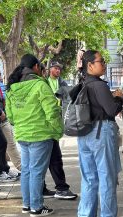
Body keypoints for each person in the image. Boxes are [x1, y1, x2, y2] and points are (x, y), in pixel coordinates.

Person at [6, 54, 63, 217]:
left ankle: (27, 204)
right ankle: (37, 207)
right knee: (37, 172)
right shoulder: (40, 85)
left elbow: (9, 115)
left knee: (27, 171)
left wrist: (21, 124)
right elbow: (52, 111)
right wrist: (58, 130)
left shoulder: (13, 87)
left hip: (23, 135)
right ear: (36, 67)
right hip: (40, 134)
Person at [77, 50, 123, 217]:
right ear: (90, 65)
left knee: (89, 177)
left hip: (84, 133)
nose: (104, 64)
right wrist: (120, 98)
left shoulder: (83, 83)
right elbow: (112, 110)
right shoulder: (99, 85)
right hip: (101, 131)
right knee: (107, 176)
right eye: (101, 61)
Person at [41, 61, 77, 200]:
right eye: (56, 68)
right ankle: (60, 188)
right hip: (47, 124)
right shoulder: (43, 83)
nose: (58, 71)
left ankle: (44, 188)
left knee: (46, 160)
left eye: (59, 69)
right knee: (53, 159)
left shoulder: (63, 83)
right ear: (49, 70)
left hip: (54, 120)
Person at [0, 67, 22, 172]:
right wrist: (0, 112)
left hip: (4, 119)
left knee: (10, 143)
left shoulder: (1, 86)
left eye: (0, 74)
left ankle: (19, 166)